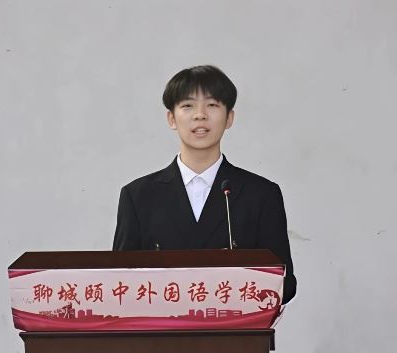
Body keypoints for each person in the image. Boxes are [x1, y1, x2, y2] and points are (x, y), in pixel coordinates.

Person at [113, 65, 296, 303]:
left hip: (234, 326)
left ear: (229, 118)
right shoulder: (139, 196)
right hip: (162, 327)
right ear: (171, 118)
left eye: (212, 105)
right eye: (188, 106)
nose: (200, 115)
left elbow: (284, 282)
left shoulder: (261, 194)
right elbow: (119, 281)